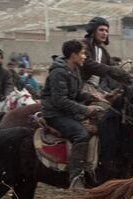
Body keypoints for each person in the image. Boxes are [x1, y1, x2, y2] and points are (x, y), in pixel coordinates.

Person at [41, 40, 102, 190]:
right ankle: (76, 177)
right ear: (73, 55)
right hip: (55, 114)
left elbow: (74, 93)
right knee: (81, 134)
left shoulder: (73, 69)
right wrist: (85, 110)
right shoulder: (58, 72)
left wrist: (91, 97)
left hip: (67, 112)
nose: (84, 57)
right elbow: (60, 100)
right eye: (82, 53)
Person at [81, 16, 132, 95]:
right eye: (101, 30)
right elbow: (87, 63)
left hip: (96, 88)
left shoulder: (102, 50)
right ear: (93, 31)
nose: (104, 33)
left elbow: (112, 65)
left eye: (106, 31)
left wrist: (128, 78)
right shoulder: (83, 44)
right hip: (81, 86)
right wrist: (109, 69)